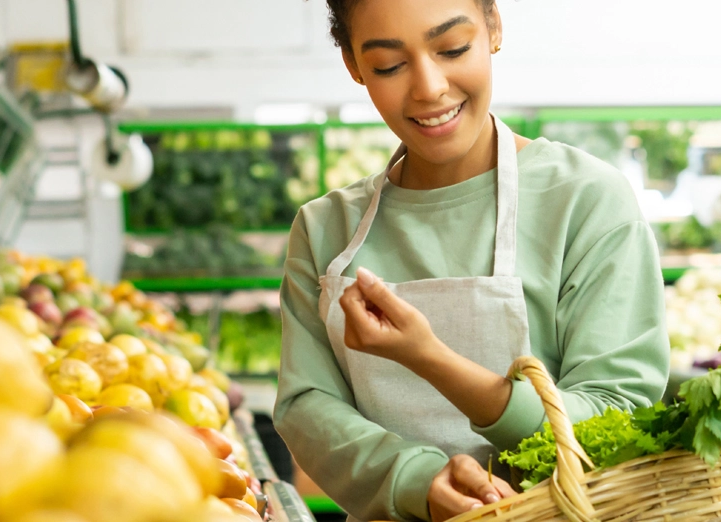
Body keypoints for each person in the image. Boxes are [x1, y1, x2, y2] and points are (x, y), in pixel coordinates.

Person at [273, 1, 671, 520]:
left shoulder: (584, 200)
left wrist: (431, 359)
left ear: (494, 28)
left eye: (452, 48)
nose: (429, 87)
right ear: (353, 65)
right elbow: (307, 407)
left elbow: (617, 417)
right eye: (389, 65)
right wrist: (418, 482)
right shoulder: (325, 229)